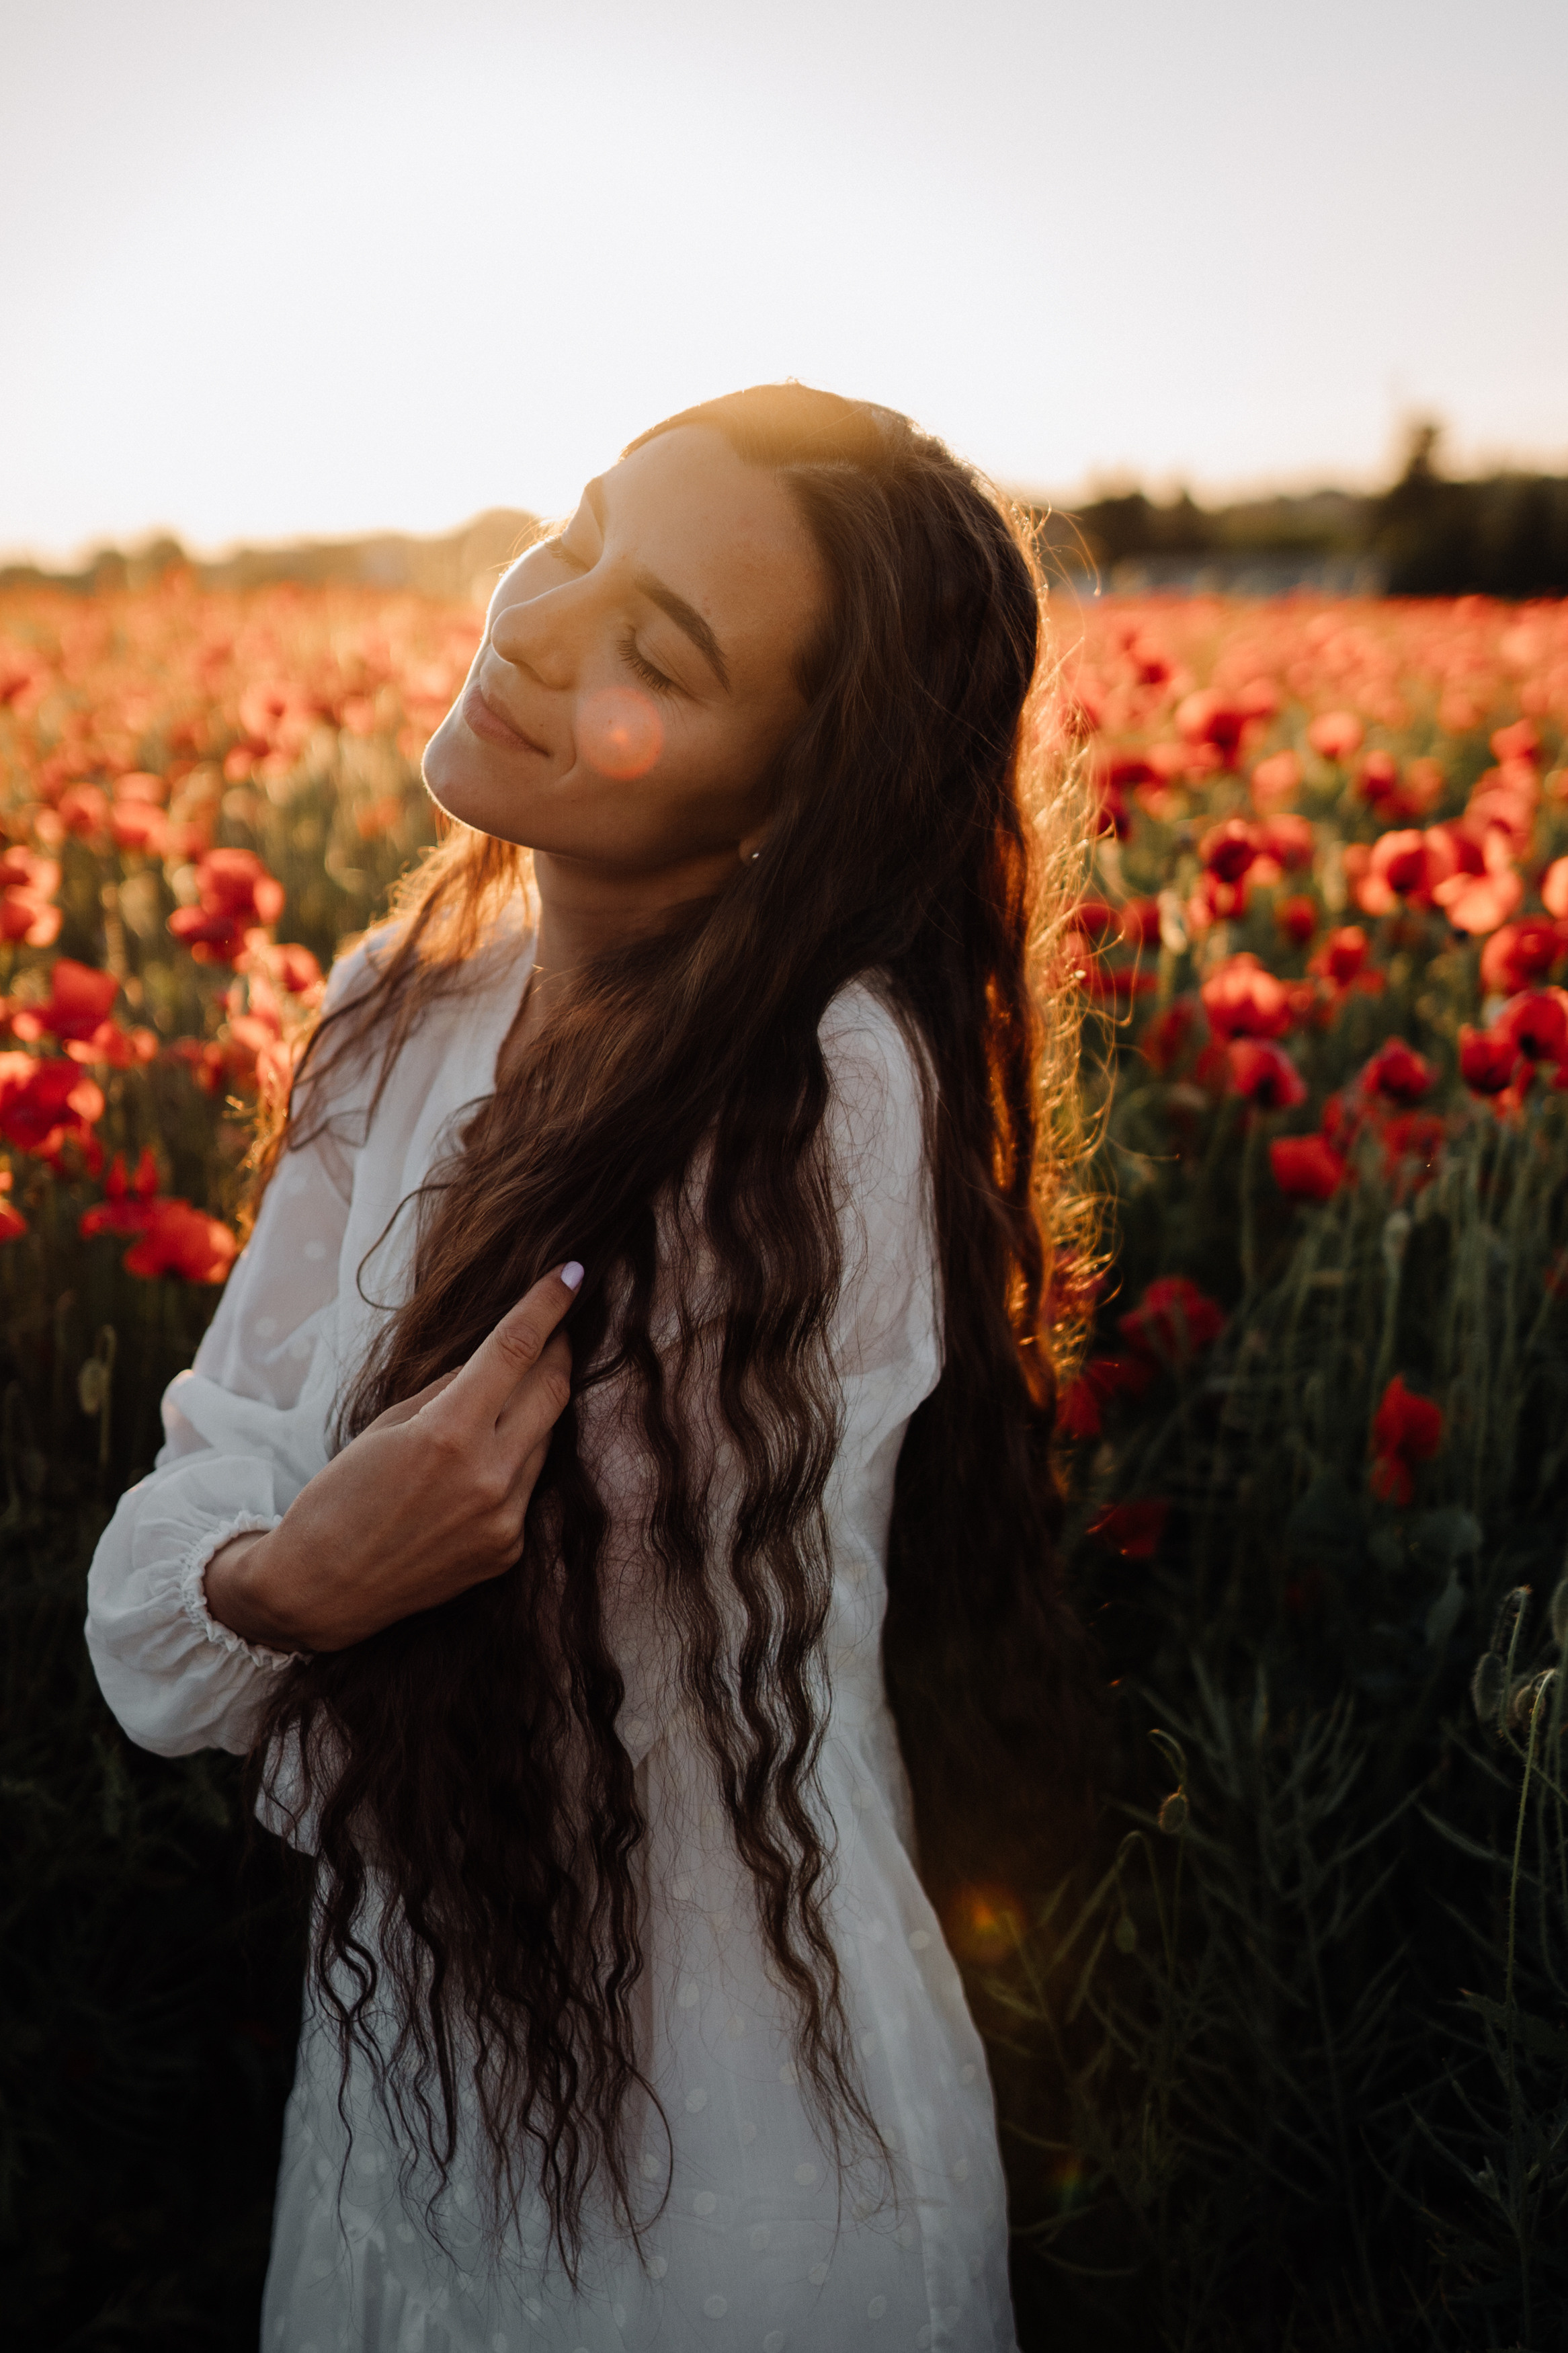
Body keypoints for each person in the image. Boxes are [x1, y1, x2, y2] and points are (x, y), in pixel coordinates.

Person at [85, 384, 1097, 2352]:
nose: (541, 621)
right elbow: (186, 1523)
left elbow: (370, 1650)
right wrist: (284, 1577)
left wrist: (283, 1581)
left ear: (784, 806)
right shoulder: (401, 1003)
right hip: (404, 2082)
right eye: (582, 534)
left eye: (660, 650)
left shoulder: (818, 1109)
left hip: (718, 2154)